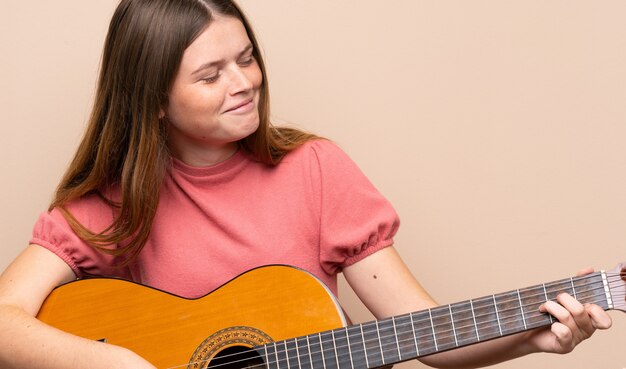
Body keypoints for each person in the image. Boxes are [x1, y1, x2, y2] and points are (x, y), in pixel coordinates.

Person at [0, 1, 613, 368]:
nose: (243, 81)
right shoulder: (112, 203)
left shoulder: (315, 170)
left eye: (245, 58)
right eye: (210, 74)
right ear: (153, 100)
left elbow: (423, 331)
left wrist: (531, 337)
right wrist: (115, 362)